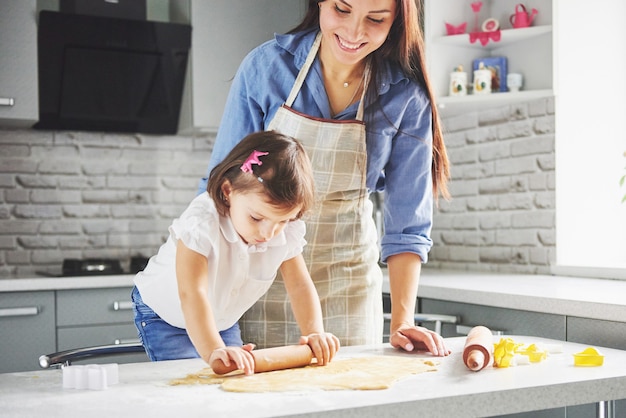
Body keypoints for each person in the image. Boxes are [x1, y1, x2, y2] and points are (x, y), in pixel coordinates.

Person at [198, 0, 451, 356]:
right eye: (342, 10)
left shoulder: (406, 96)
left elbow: (408, 224)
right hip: (255, 278)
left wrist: (402, 322)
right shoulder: (268, 68)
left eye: (375, 19)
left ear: (396, 21)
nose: (353, 32)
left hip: (348, 283)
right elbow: (219, 191)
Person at [133, 131, 340, 375]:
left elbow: (299, 285)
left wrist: (314, 332)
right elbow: (192, 293)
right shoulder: (201, 222)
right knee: (191, 387)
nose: (269, 232)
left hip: (222, 320)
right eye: (256, 217)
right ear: (228, 191)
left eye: (282, 221)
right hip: (166, 315)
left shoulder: (283, 230)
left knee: (232, 378)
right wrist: (213, 351)